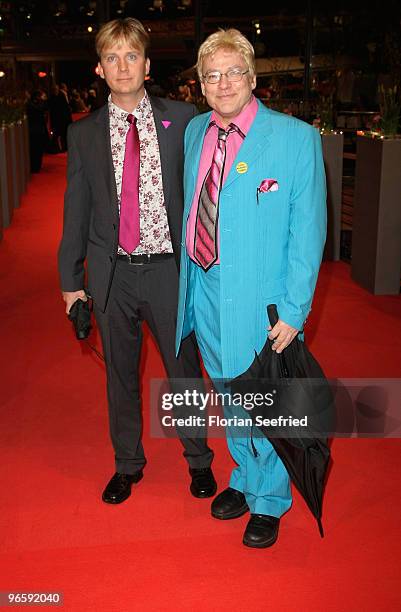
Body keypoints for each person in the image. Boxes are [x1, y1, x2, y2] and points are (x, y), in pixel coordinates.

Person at [175, 29, 326, 548]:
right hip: (207, 290)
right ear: (200, 83)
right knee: (228, 395)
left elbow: (308, 234)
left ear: (253, 77)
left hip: (264, 304)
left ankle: (270, 500)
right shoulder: (196, 132)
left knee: (267, 399)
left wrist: (294, 310)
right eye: (211, 75)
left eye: (233, 72)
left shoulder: (295, 138)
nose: (223, 83)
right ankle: (243, 477)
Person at [58, 18, 215, 505]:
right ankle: (127, 464)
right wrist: (71, 281)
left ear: (147, 65)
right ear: (100, 69)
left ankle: (198, 460)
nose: (122, 66)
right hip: (113, 276)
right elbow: (76, 209)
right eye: (112, 58)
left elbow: (206, 191)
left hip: (170, 270)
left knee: (183, 370)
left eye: (131, 57)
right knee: (119, 374)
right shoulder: (83, 134)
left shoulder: (185, 118)